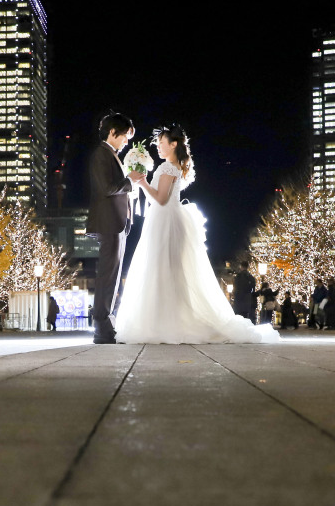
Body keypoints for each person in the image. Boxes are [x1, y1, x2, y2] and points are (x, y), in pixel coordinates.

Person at [115, 124, 279, 344]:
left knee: (161, 268)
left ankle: (163, 322)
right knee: (170, 270)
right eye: (158, 144)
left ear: (174, 144)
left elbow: (161, 199)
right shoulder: (175, 166)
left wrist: (142, 181)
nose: (159, 147)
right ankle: (170, 320)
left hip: (164, 221)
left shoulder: (167, 168)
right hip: (169, 220)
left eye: (162, 143)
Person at [86, 111, 145, 344]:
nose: (126, 141)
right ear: (112, 132)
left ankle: (105, 323)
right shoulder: (101, 154)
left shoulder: (111, 154)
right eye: (124, 136)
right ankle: (101, 326)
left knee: (112, 275)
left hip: (117, 223)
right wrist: (130, 180)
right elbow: (106, 188)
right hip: (109, 222)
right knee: (107, 276)